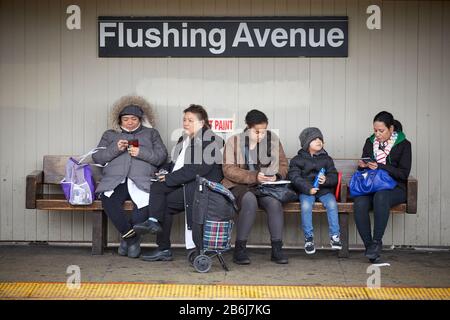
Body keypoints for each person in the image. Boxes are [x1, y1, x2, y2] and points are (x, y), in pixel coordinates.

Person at [133, 104, 224, 261]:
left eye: (190, 120)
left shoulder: (211, 141)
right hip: (186, 183)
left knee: (164, 201)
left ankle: (160, 240)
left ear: (202, 123)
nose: (186, 123)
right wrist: (163, 171)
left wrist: (168, 178)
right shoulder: (185, 139)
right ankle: (158, 234)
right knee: (160, 194)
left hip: (201, 188)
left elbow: (196, 170)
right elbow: (176, 164)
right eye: (184, 120)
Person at [92, 95, 168, 258]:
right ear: (120, 120)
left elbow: (162, 156)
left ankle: (126, 241)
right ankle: (132, 239)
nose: (130, 122)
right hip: (115, 180)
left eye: (134, 118)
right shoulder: (110, 135)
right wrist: (115, 148)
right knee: (109, 201)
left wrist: (141, 152)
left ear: (140, 120)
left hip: (142, 179)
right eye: (126, 119)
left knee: (143, 207)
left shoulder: (151, 134)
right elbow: (97, 157)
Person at [222, 109, 289, 265]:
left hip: (265, 187)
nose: (261, 135)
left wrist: (276, 176)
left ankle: (277, 249)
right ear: (247, 127)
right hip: (239, 185)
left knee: (274, 203)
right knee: (250, 200)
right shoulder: (234, 141)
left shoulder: (273, 140)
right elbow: (228, 169)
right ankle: (240, 249)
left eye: (264, 131)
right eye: (256, 132)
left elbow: (284, 165)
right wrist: (254, 176)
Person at [354, 111, 412, 263]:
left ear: (391, 129)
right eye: (375, 130)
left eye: (381, 131)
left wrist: (381, 166)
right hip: (372, 186)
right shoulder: (370, 142)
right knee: (359, 202)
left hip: (395, 188)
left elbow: (403, 174)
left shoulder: (404, 145)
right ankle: (370, 248)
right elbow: (365, 166)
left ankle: (376, 242)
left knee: (381, 196)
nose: (377, 134)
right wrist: (362, 166)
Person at [287, 127, 341, 255]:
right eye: (314, 139)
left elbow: (334, 176)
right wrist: (308, 188)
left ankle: (335, 236)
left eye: (320, 139)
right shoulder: (297, 160)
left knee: (332, 204)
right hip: (306, 191)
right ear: (306, 143)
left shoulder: (327, 159)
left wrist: (326, 180)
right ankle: (309, 238)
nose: (319, 141)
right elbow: (294, 177)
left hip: (324, 191)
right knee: (306, 206)